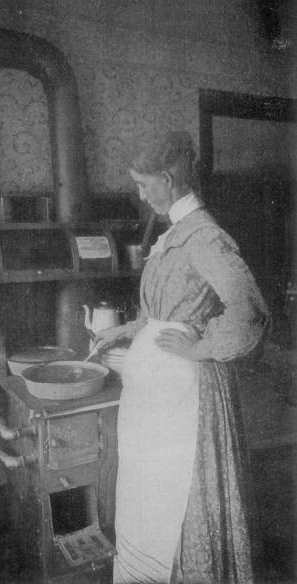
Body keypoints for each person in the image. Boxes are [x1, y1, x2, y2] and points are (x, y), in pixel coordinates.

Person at [95, 131, 269, 584]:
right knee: (151, 497)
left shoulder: (205, 237)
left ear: (168, 179)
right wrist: (123, 330)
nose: (140, 194)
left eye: (143, 184)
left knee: (178, 495)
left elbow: (248, 311)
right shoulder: (175, 232)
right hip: (156, 398)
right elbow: (164, 315)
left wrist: (199, 349)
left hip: (186, 396)